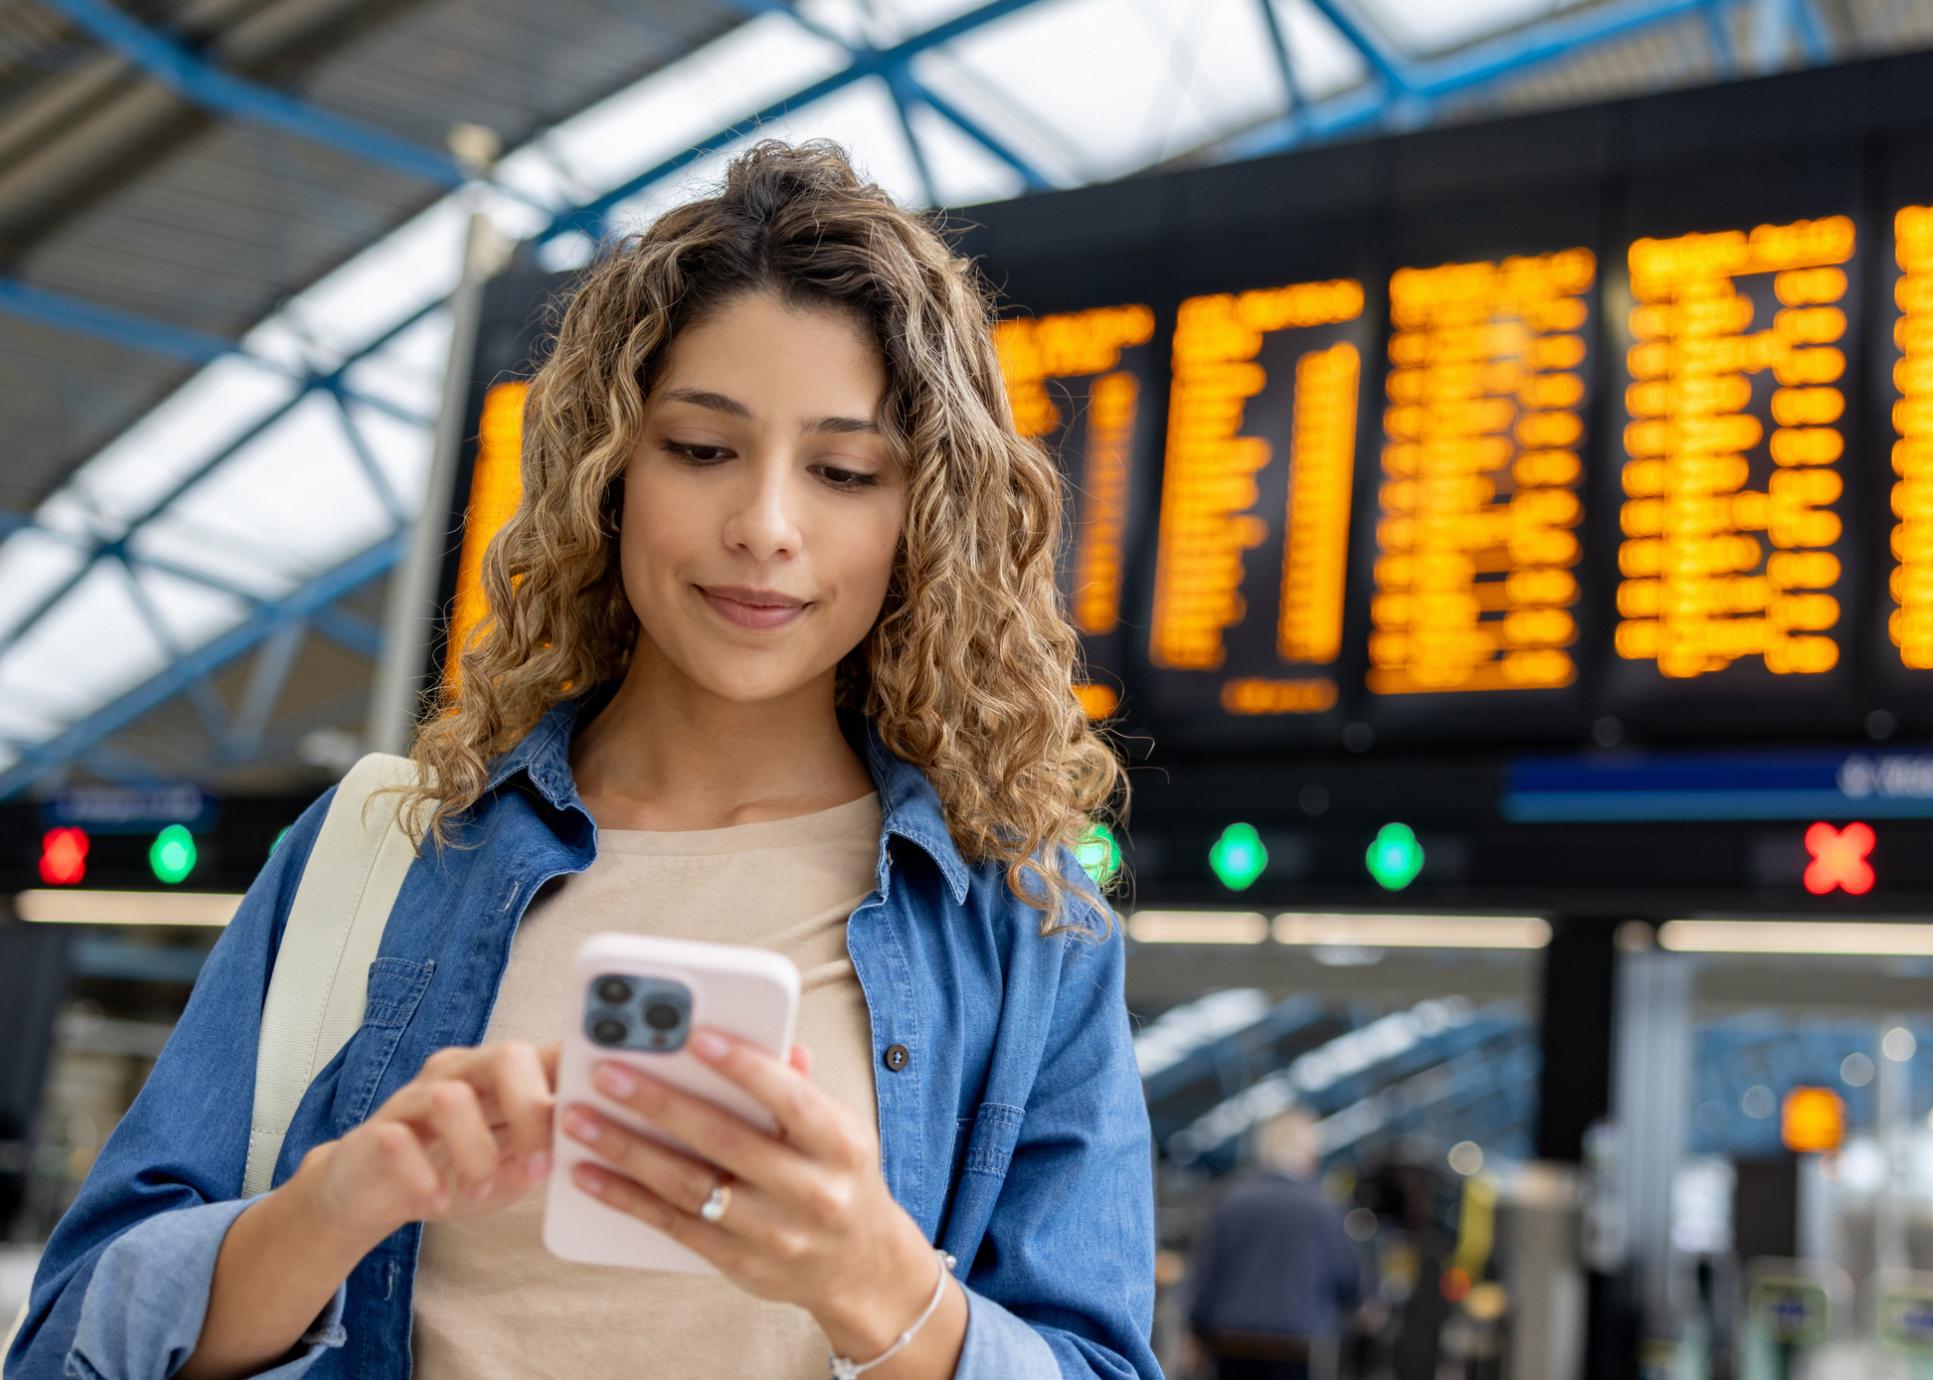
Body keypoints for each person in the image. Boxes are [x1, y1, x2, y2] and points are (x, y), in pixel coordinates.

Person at [8, 138, 1162, 1380]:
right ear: (610, 474)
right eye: (700, 448)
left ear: (920, 516)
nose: (763, 526)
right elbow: (74, 1335)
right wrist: (334, 1206)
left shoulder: (1025, 927)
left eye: (841, 471)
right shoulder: (385, 854)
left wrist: (876, 1291)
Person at [1180, 1108, 1362, 1380]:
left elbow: (1206, 1273)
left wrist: (1194, 1330)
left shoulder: (1231, 1200)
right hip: (1296, 1344)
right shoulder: (1324, 1207)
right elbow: (1348, 1281)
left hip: (1230, 1341)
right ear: (1310, 1151)